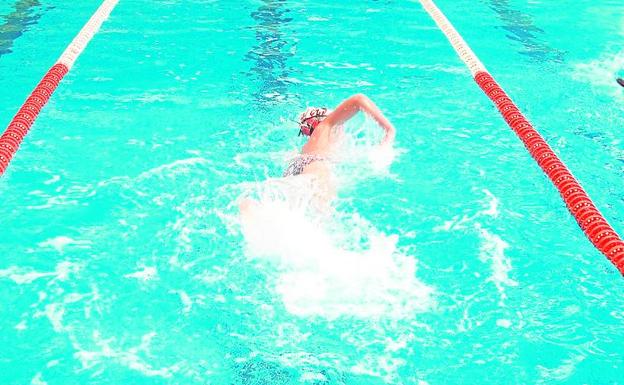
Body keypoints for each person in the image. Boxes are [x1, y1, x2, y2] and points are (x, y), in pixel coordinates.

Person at [239, 93, 395, 216]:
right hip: (315, 165)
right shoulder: (325, 127)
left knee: (291, 210)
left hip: (294, 169)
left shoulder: (310, 146)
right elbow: (358, 99)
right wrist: (389, 131)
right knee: (322, 215)